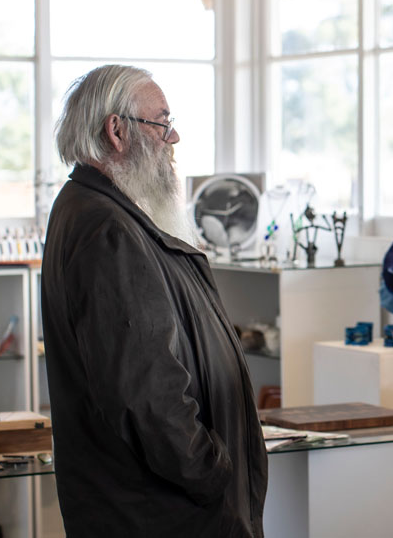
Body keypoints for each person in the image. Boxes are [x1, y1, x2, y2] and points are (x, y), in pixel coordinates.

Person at [41, 65, 267, 537]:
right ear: (117, 131)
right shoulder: (108, 231)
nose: (174, 137)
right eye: (161, 123)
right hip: (160, 515)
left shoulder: (99, 211)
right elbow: (146, 395)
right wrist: (212, 474)